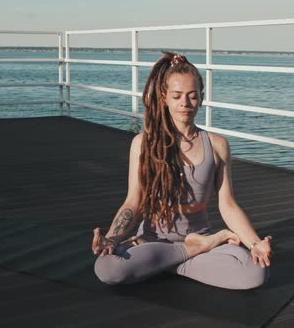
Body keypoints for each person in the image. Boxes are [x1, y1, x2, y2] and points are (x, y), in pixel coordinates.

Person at [91, 51, 273, 290]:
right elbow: (133, 202)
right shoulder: (143, 144)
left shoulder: (218, 145)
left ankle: (164, 261)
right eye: (177, 96)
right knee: (107, 268)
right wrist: (112, 238)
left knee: (256, 272)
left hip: (199, 233)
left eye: (192, 96)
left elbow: (227, 204)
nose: (185, 104)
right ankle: (192, 250)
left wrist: (255, 243)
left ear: (202, 97)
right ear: (164, 97)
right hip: (154, 239)